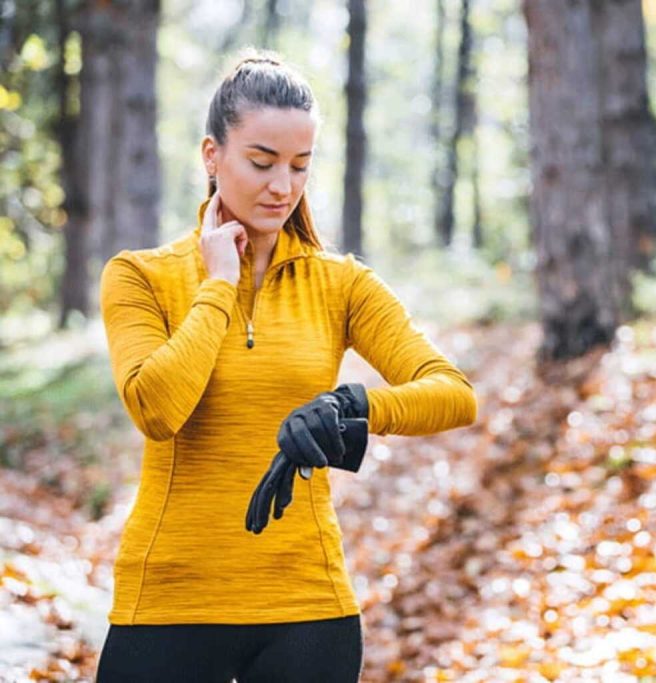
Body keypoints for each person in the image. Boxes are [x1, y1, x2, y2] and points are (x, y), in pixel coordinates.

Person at [94, 48, 478, 682]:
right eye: (262, 162)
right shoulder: (141, 276)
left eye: (301, 166)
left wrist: (353, 407)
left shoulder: (341, 284)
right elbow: (156, 409)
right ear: (211, 156)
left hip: (308, 608)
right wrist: (218, 285)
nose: (283, 187)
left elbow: (453, 393)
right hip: (169, 601)